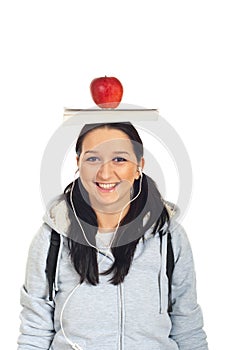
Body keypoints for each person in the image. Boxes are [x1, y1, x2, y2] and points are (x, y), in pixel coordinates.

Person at [18, 121, 208, 350]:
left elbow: (187, 326)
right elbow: (35, 331)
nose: (105, 172)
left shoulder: (169, 236)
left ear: (139, 166)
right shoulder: (52, 239)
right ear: (78, 164)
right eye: (93, 159)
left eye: (119, 159)